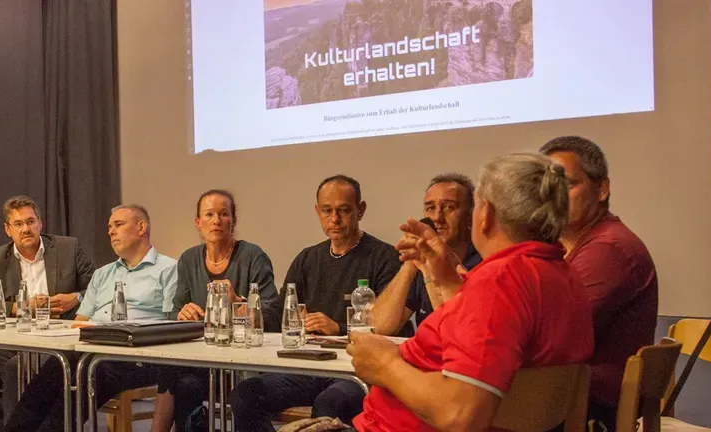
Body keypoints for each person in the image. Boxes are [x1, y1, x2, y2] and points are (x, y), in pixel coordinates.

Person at [345, 153, 594, 431]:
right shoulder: (563, 275)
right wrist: (443, 277)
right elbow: (480, 336)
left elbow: (461, 413)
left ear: (485, 214)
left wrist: (384, 363)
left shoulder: (500, 281)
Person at [230, 175, 403, 432]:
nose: (335, 218)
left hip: (355, 371)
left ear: (360, 210)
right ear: (317, 211)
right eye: (327, 210)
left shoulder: (384, 257)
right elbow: (280, 311)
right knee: (245, 394)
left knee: (329, 404)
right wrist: (249, 311)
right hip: (308, 366)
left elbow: (389, 325)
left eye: (343, 210)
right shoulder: (308, 258)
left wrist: (340, 328)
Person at [5, 204, 178, 432]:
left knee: (87, 376)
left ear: (141, 227)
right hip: (94, 349)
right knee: (52, 373)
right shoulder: (102, 274)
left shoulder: (169, 269)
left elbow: (173, 325)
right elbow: (81, 321)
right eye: (109, 227)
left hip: (137, 356)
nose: (111, 232)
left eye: (118, 224)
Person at [540, 136, 658, 430]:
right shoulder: (567, 247)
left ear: (602, 189)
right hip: (566, 397)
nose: (554, 198)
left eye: (566, 185)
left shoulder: (607, 248)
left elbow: (549, 336)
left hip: (588, 410)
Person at [150, 189, 278, 432]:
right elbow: (173, 312)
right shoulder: (189, 259)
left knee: (179, 375)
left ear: (233, 221)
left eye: (223, 214)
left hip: (244, 361)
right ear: (198, 223)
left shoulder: (252, 256)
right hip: (203, 359)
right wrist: (182, 313)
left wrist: (238, 303)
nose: (216, 221)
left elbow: (273, 316)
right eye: (209, 214)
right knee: (182, 381)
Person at [0, 195, 95, 432]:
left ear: (40, 223)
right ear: (8, 229)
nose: (26, 229)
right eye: (18, 224)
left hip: (57, 339)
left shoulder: (68, 248)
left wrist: (75, 298)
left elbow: (100, 289)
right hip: (15, 338)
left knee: (17, 369)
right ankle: (7, 428)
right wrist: (19, 307)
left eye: (30, 222)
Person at [374, 173, 481, 336]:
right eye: (431, 208)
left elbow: (463, 330)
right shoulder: (423, 259)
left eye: (449, 207)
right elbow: (380, 327)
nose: (437, 217)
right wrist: (411, 264)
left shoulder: (485, 260)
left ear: (470, 216)